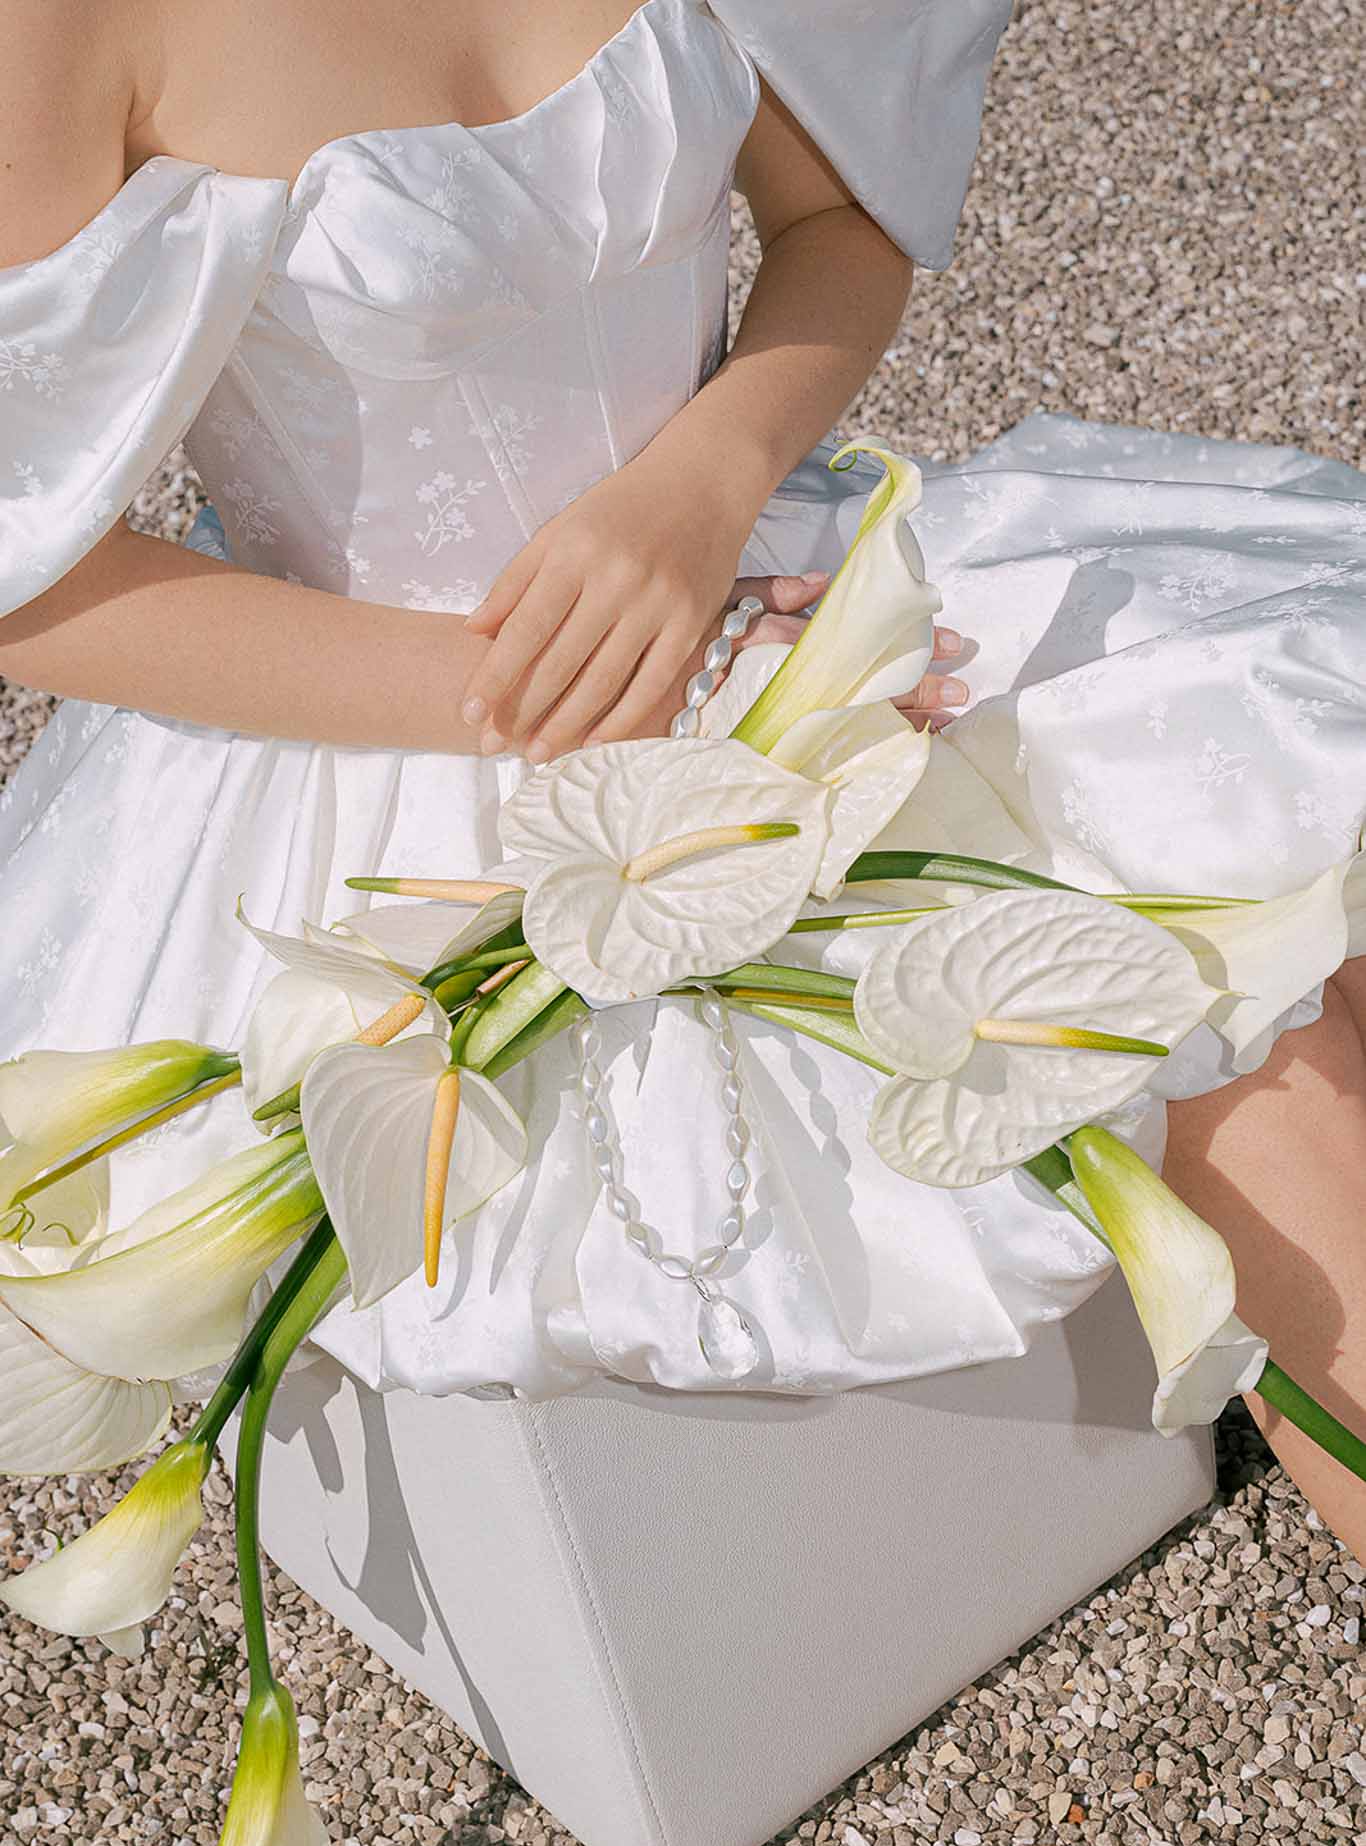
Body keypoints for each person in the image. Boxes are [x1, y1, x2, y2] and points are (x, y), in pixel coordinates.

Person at [1, 0, 1364, 1562]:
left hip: (767, 570)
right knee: (1246, 1030)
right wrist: (601, 699)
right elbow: (29, 586)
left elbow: (835, 219)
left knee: (1287, 846)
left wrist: (703, 484)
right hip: (413, 749)